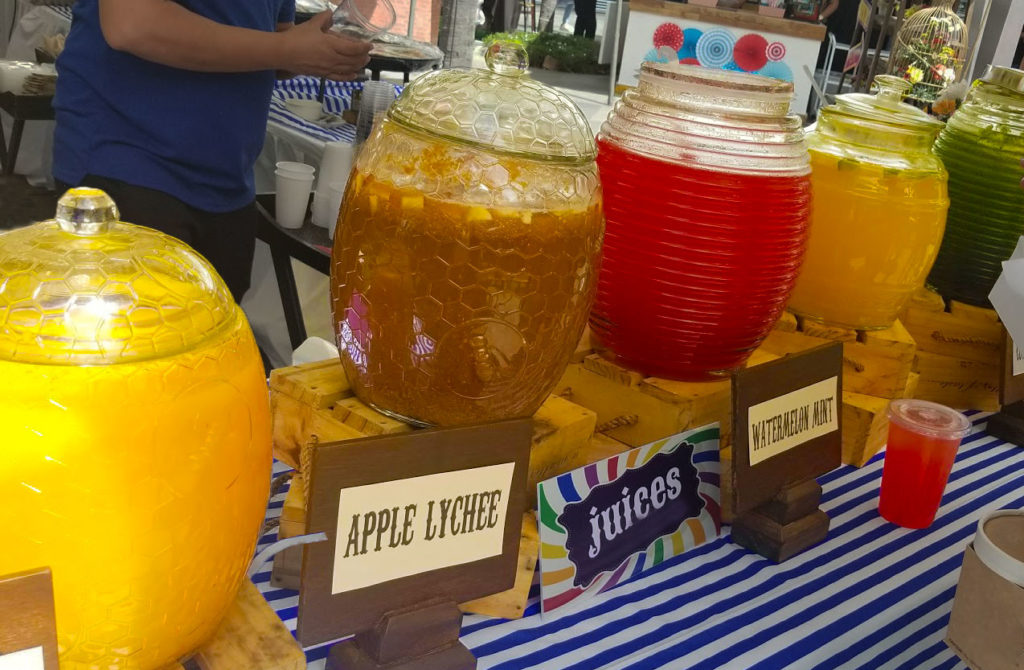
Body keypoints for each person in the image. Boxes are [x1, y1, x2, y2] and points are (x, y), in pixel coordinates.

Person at [52, 0, 372, 303]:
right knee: (133, 344)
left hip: (227, 179)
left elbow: (268, 37)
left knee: (211, 347)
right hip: (128, 159)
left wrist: (317, 49)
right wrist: (288, 49)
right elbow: (132, 23)